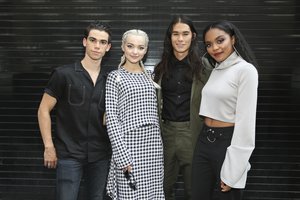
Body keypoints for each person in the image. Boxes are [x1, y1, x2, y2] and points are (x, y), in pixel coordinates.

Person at [37, 21, 113, 200]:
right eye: (93, 40)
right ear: (84, 42)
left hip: (100, 154)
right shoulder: (63, 74)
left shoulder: (111, 78)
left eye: (102, 42)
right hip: (69, 154)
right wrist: (48, 146)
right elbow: (43, 110)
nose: (97, 46)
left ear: (108, 47)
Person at [191, 20, 259, 200]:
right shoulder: (217, 69)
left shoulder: (246, 70)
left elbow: (246, 123)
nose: (215, 48)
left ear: (233, 39)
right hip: (204, 140)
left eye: (220, 40)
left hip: (227, 142)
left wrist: (235, 169)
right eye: (209, 44)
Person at [153, 15, 211, 200]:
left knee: (193, 190)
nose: (180, 39)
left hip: (193, 133)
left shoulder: (204, 68)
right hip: (165, 134)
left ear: (193, 36)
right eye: (175, 34)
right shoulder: (160, 69)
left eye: (185, 34)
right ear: (170, 37)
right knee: (163, 188)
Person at [105, 29, 165, 199]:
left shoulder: (151, 77)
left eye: (140, 47)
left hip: (153, 146)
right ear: (123, 47)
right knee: (130, 194)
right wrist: (122, 156)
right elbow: (111, 118)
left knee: (153, 193)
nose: (135, 51)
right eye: (130, 46)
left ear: (146, 50)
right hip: (129, 145)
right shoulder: (114, 77)